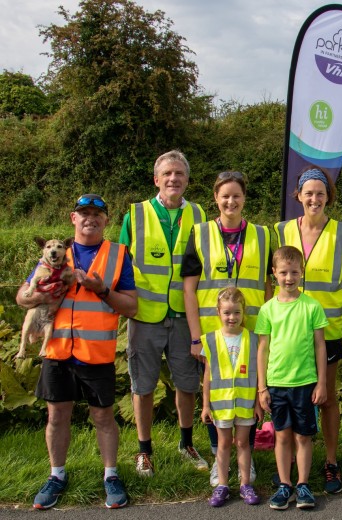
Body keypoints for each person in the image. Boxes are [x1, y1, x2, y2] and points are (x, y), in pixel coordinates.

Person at [17, 194, 138, 509]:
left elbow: (132, 306)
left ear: (106, 221)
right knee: (57, 416)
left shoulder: (118, 255)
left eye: (97, 214)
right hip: (57, 350)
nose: (90, 219)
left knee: (103, 416)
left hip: (96, 352)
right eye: (84, 213)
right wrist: (35, 298)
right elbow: (22, 297)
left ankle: (111, 475)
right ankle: (56, 475)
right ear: (73, 218)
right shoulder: (56, 253)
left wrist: (102, 289)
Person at [119, 150, 208, 477]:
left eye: (179, 174)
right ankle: (144, 451)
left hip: (186, 317)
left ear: (186, 180)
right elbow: (121, 266)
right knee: (142, 385)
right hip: (144, 316)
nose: (173, 179)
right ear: (156, 179)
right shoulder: (136, 214)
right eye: (167, 174)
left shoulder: (199, 215)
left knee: (187, 384)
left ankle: (186, 445)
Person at [181, 171, 272, 486]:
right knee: (216, 397)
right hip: (212, 335)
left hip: (252, 335)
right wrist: (196, 337)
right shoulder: (200, 233)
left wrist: (268, 331)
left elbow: (268, 284)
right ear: (216, 199)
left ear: (244, 198)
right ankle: (219, 463)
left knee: (248, 395)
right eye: (224, 196)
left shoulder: (263, 234)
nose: (230, 201)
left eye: (236, 195)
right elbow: (189, 290)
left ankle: (247, 463)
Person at [274, 166, 342, 494]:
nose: (314, 198)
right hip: (288, 333)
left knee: (326, 398)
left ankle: (331, 462)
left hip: (327, 332)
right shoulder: (280, 232)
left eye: (320, 193)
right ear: (298, 196)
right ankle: (290, 466)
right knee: (290, 399)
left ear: (328, 197)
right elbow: (272, 281)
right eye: (308, 193)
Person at [257, 246, 328, 510]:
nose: (289, 278)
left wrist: (321, 382)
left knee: (303, 436)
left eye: (294, 272)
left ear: (302, 273)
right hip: (276, 384)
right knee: (282, 436)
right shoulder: (267, 310)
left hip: (305, 383)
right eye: (283, 273)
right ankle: (284, 485)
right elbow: (263, 348)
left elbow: (320, 345)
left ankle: (303, 485)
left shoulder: (312, 306)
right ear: (274, 273)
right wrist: (262, 387)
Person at [201, 287, 261, 507]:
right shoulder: (210, 340)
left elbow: (257, 373)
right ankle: (223, 485)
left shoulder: (253, 339)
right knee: (224, 443)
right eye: (227, 312)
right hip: (220, 405)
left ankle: (245, 484)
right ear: (218, 312)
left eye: (236, 312)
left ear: (243, 312)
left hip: (245, 403)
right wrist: (205, 405)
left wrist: (257, 402)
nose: (232, 317)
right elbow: (207, 375)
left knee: (243, 443)